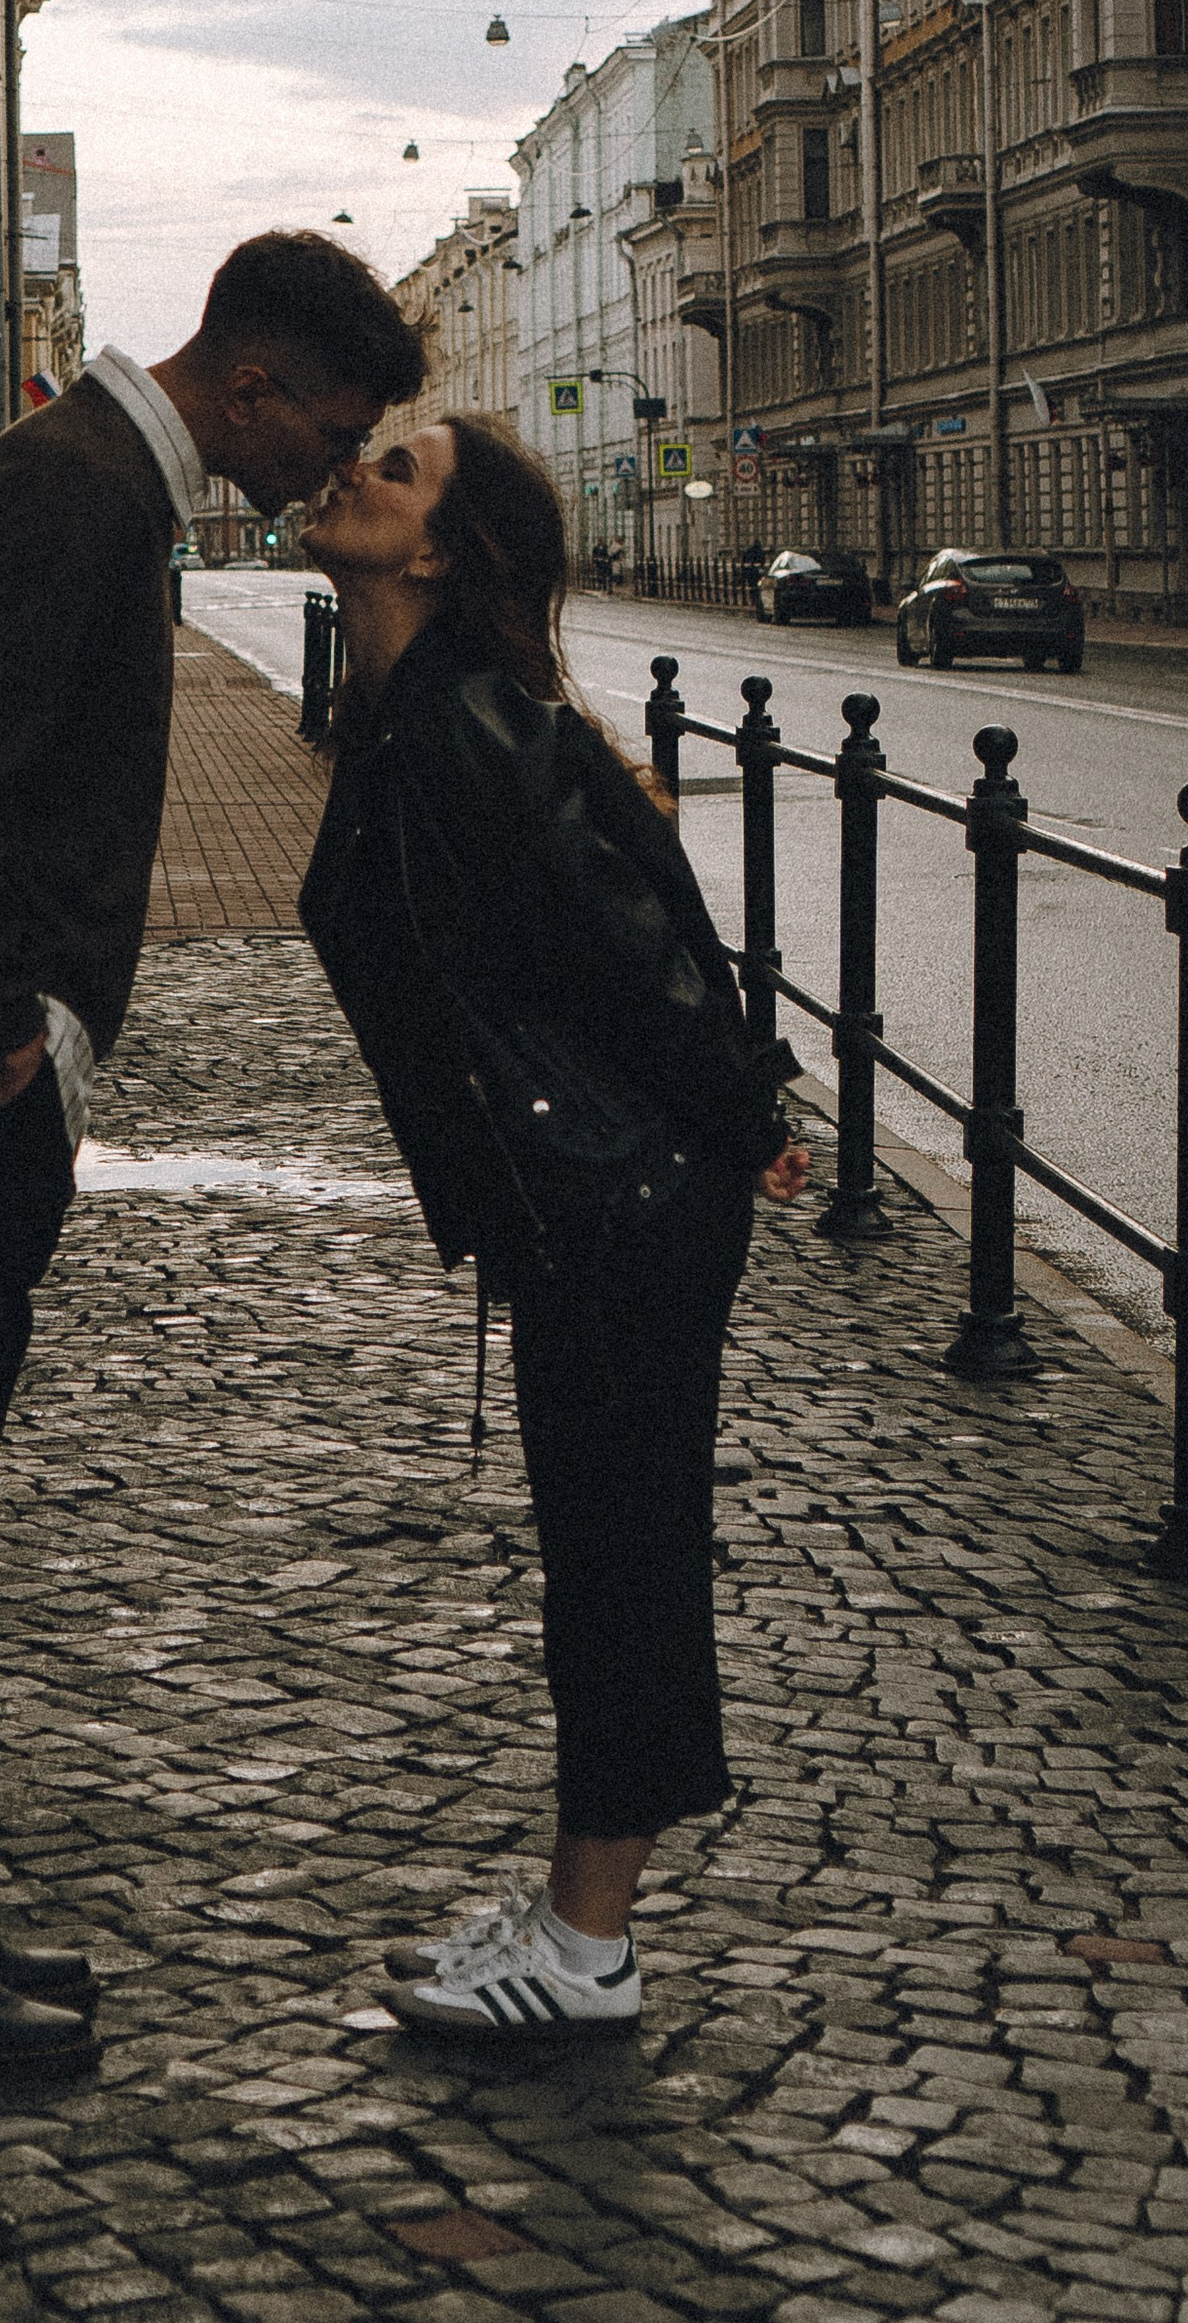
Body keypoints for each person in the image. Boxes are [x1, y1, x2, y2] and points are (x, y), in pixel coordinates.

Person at [0, 230, 426, 2073]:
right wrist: (8, 1024)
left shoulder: (100, 480)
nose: (321, 472)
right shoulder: (81, 499)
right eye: (325, 431)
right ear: (254, 383)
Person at [297, 416, 806, 2035]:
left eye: (398, 470)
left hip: (625, 1194)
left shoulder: (458, 728)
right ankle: (578, 1910)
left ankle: (589, 1945)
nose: (354, 471)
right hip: (584, 1191)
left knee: (621, 1558)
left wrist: (745, 1118)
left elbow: (621, 940)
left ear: (445, 551)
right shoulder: (409, 714)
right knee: (601, 1547)